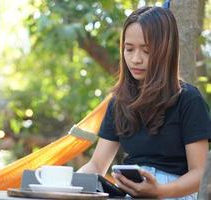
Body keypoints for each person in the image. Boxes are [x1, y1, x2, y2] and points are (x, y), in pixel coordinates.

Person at [78, 6, 211, 199]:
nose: (135, 59)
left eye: (146, 51)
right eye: (129, 49)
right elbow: (97, 165)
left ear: (165, 51)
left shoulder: (188, 99)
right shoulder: (119, 102)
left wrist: (160, 191)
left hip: (175, 193)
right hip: (130, 193)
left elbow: (200, 173)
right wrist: (71, 182)